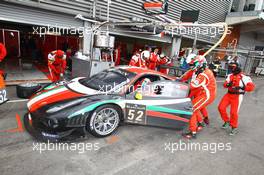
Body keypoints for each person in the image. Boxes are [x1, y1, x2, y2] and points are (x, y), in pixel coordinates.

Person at [179, 54, 217, 139]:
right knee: (194, 108)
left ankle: (193, 132)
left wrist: (181, 86)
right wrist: (181, 79)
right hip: (204, 93)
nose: (193, 66)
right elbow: (189, 74)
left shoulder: (203, 74)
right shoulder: (202, 71)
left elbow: (193, 85)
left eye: (194, 64)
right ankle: (200, 122)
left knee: (191, 109)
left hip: (206, 95)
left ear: (199, 64)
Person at [218, 62, 255, 135]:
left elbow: (251, 87)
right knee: (221, 108)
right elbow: (225, 85)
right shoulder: (230, 76)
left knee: (233, 113)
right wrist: (228, 84)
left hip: (237, 96)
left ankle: (234, 127)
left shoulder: (245, 77)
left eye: (233, 67)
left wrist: (243, 87)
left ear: (238, 67)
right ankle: (227, 121)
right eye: (231, 67)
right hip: (228, 95)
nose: (232, 69)